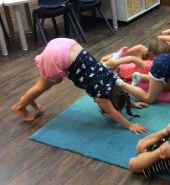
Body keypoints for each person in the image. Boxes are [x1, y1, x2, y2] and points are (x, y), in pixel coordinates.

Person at [11, 38, 148, 134]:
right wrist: (130, 125)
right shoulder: (101, 94)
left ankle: (29, 99)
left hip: (68, 45)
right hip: (59, 55)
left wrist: (132, 104)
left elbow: (122, 90)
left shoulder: (111, 77)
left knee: (48, 83)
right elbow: (113, 112)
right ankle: (20, 107)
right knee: (43, 86)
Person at [100, 40, 170, 81]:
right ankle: (119, 55)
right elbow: (136, 52)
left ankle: (118, 55)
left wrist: (118, 60)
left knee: (102, 60)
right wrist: (116, 62)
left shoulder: (149, 65)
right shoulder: (151, 64)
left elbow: (133, 58)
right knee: (103, 61)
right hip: (121, 68)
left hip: (120, 71)